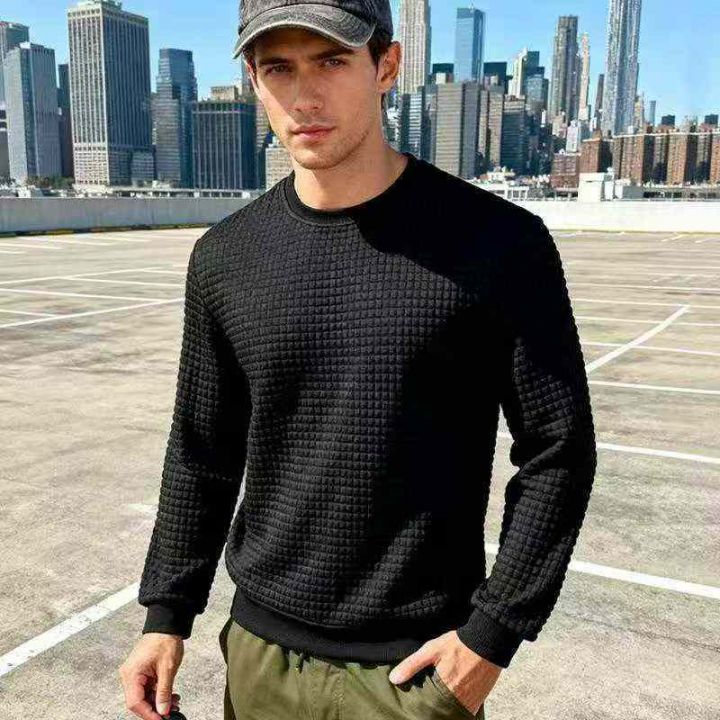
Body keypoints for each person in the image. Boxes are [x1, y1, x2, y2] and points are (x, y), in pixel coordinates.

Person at [119, 1, 598, 718]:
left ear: (387, 66)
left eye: (332, 61)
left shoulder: (500, 244)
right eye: (279, 68)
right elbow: (202, 450)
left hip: (415, 671)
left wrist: (493, 636)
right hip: (259, 655)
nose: (304, 97)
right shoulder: (224, 257)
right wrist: (166, 616)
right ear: (253, 81)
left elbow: (559, 449)